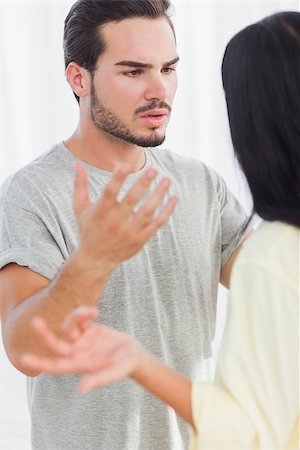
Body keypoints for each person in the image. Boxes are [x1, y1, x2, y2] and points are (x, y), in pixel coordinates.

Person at [21, 10, 300, 450]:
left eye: (169, 69)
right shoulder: (34, 192)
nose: (160, 90)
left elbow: (278, 287)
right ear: (79, 78)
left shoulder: (200, 183)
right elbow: (24, 350)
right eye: (134, 71)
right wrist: (94, 258)